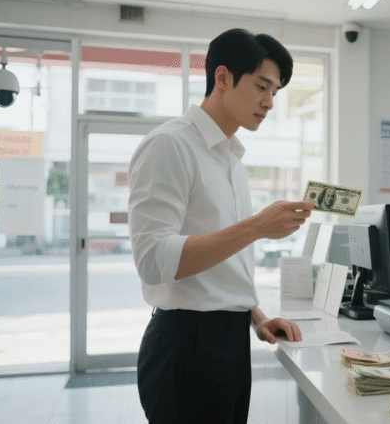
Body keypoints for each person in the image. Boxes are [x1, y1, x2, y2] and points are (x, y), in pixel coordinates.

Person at [128, 28, 314, 424]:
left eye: (275, 92)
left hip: (229, 339)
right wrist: (256, 227)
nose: (269, 102)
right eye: (262, 86)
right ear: (223, 78)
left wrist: (255, 315)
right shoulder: (170, 144)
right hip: (188, 344)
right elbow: (152, 260)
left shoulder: (230, 159)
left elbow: (220, 264)